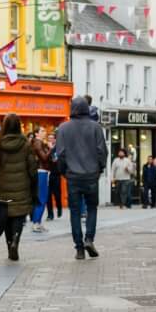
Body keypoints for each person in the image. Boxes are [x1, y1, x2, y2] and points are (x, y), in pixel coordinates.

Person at [53, 96, 107, 259]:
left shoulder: (63, 129)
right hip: (91, 175)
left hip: (73, 177)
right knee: (91, 208)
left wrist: (64, 171)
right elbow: (102, 151)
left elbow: (60, 154)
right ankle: (89, 238)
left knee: (75, 212)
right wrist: (99, 169)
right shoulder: (96, 127)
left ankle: (79, 248)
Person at [0, 115, 38, 261]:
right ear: (18, 126)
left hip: (2, 187)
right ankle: (16, 239)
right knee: (18, 216)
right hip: (22, 187)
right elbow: (32, 168)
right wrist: (34, 187)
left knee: (6, 218)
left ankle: (9, 242)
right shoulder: (26, 144)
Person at [29, 130, 52, 234]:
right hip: (41, 172)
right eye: (42, 131)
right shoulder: (38, 142)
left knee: (42, 198)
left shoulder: (40, 142)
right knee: (42, 198)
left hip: (41, 171)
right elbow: (44, 157)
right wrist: (51, 149)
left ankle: (37, 222)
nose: (44, 132)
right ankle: (36, 223)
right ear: (37, 134)